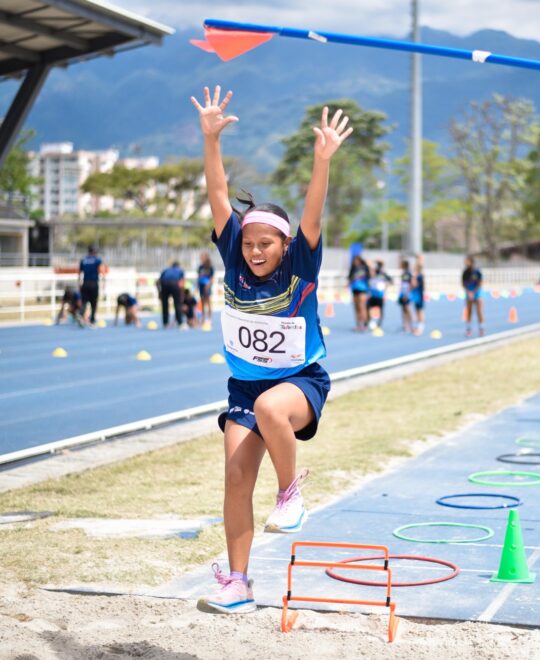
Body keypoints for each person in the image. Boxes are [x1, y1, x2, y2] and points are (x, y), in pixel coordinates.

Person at [191, 85, 352, 613]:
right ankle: (238, 582)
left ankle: (291, 494)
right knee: (236, 479)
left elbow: (313, 212)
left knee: (270, 407)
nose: (255, 251)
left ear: (285, 245)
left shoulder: (301, 264)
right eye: (248, 243)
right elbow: (218, 193)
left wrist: (322, 160)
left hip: (299, 383)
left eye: (266, 244)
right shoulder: (234, 261)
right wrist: (211, 139)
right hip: (244, 387)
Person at [79, 245, 104, 325]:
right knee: (94, 303)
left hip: (85, 283)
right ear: (94, 251)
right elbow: (101, 270)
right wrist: (103, 282)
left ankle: (81, 316)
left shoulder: (83, 260)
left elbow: (80, 273)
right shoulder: (97, 259)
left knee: (84, 302)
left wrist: (79, 283)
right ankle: (92, 320)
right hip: (93, 283)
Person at [157, 261, 185, 328]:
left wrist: (159, 292)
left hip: (164, 284)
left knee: (165, 304)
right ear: (178, 266)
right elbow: (181, 282)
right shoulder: (180, 270)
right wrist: (181, 293)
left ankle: (165, 323)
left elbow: (158, 282)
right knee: (177, 304)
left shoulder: (166, 270)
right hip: (174, 284)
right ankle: (180, 323)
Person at [462, 256, 484, 337]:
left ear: (471, 262)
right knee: (469, 311)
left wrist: (474, 292)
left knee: (479, 311)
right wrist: (468, 292)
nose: (465, 263)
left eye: (467, 261)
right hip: (469, 293)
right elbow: (463, 283)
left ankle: (481, 329)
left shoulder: (477, 271)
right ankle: (468, 329)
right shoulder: (465, 272)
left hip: (477, 293)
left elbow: (480, 283)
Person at [367, 260, 392, 330]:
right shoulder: (371, 273)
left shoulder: (383, 274)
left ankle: (379, 324)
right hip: (372, 294)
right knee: (368, 308)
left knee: (380, 309)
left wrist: (385, 285)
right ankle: (370, 321)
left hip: (380, 295)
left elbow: (390, 281)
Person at [347, 254, 370, 332]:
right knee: (356, 308)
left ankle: (364, 325)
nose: (355, 262)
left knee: (362, 307)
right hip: (354, 289)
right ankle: (358, 325)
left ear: (360, 261)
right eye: (354, 261)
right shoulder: (353, 269)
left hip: (363, 289)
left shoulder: (364, 268)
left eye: (356, 261)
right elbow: (349, 278)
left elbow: (370, 277)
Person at [198, 252, 215, 323]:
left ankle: (209, 318)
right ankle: (203, 317)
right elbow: (199, 277)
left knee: (208, 302)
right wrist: (198, 286)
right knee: (202, 302)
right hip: (201, 286)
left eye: (203, 258)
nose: (201, 259)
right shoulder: (200, 267)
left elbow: (212, 278)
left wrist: (208, 285)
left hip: (207, 286)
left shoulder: (210, 267)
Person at [398, 258, 413, 333]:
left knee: (407, 308)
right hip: (402, 293)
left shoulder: (408, 273)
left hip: (406, 293)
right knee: (403, 309)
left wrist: (406, 294)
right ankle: (405, 324)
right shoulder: (403, 273)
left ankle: (410, 324)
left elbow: (410, 284)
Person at [411, 260, 426, 336]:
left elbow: (415, 285)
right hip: (416, 295)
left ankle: (421, 327)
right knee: (417, 311)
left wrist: (413, 277)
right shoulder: (419, 275)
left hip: (419, 296)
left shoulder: (419, 276)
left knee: (420, 311)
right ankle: (418, 326)